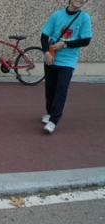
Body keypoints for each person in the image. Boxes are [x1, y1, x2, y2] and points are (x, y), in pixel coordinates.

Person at [40, 0, 92, 134]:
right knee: (50, 88)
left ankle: (54, 121)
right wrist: (46, 52)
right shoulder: (57, 15)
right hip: (52, 58)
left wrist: (65, 44)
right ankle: (50, 112)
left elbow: (86, 40)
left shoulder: (84, 18)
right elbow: (44, 35)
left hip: (68, 60)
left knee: (61, 89)